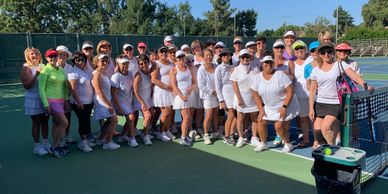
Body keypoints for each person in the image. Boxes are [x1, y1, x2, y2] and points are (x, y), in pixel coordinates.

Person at [308, 43, 373, 147]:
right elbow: (312, 90)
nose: (326, 54)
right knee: (318, 130)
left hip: (335, 103)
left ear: (333, 53)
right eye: (323, 52)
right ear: (319, 54)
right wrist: (311, 108)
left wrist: (365, 85)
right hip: (320, 104)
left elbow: (355, 77)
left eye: (329, 51)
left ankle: (332, 148)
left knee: (326, 127)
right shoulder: (315, 70)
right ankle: (328, 147)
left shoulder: (340, 65)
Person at [252, 56, 300, 153]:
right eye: (266, 62)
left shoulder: (280, 74)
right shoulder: (257, 77)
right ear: (262, 64)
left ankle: (288, 144)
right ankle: (264, 144)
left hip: (284, 104)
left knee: (278, 127)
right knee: (261, 122)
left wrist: (284, 107)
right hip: (269, 106)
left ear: (273, 64)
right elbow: (255, 94)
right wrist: (261, 110)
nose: (268, 64)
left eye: (270, 62)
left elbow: (290, 91)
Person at [38, 49, 70, 157]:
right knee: (64, 123)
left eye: (55, 56)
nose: (53, 58)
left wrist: (65, 99)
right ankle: (54, 147)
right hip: (51, 101)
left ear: (58, 57)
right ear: (46, 58)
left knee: (57, 124)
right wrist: (46, 104)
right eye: (50, 56)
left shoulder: (60, 70)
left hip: (61, 101)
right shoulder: (45, 71)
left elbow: (65, 86)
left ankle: (57, 146)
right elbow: (41, 89)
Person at [20, 47, 50, 155]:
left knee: (45, 121)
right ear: (28, 56)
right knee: (36, 122)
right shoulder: (26, 68)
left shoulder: (44, 66)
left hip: (45, 98)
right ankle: (37, 146)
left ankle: (46, 143)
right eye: (32, 53)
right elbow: (27, 86)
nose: (34, 55)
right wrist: (36, 75)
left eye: (36, 53)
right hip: (33, 99)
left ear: (40, 56)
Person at [230, 49, 260, 148]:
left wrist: (258, 97)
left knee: (254, 119)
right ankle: (241, 138)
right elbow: (235, 86)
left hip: (253, 98)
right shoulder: (236, 70)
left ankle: (254, 138)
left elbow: (259, 83)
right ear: (240, 58)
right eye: (243, 57)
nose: (245, 59)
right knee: (240, 119)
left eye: (247, 57)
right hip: (241, 98)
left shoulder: (255, 69)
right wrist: (239, 98)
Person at [68, 51, 95, 152]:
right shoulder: (72, 72)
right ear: (74, 61)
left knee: (86, 120)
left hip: (88, 102)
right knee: (83, 121)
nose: (79, 62)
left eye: (82, 60)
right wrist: (78, 102)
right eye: (77, 60)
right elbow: (72, 89)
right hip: (79, 103)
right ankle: (83, 143)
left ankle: (86, 140)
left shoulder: (84, 72)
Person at [92, 54, 120, 150]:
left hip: (106, 101)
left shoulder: (101, 73)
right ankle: (108, 142)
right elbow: (98, 91)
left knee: (109, 121)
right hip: (102, 102)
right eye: (102, 61)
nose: (105, 63)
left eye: (107, 61)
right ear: (96, 62)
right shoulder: (96, 74)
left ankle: (100, 140)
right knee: (114, 120)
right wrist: (109, 105)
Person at [111, 55, 138, 148]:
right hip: (120, 102)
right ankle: (132, 138)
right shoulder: (116, 77)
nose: (125, 65)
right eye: (123, 64)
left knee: (132, 117)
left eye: (127, 63)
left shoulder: (130, 74)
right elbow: (114, 94)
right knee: (130, 117)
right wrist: (118, 107)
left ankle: (122, 136)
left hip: (129, 101)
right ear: (118, 64)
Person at [170, 50, 197, 146]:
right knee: (186, 117)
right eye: (179, 57)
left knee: (188, 117)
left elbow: (194, 82)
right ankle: (183, 138)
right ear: (176, 59)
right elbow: (174, 85)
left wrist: (190, 89)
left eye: (182, 57)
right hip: (181, 97)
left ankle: (185, 136)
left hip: (190, 95)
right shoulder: (173, 70)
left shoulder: (189, 68)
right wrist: (181, 96)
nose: (181, 59)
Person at [272, 39, 295, 145]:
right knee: (276, 116)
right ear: (273, 49)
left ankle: (286, 132)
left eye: (281, 47)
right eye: (277, 47)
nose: (280, 49)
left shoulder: (289, 61)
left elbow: (292, 77)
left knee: (286, 115)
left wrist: (285, 74)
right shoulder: (270, 62)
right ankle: (278, 134)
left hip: (286, 94)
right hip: (274, 94)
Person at [151, 46, 176, 141]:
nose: (164, 53)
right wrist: (166, 86)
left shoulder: (172, 64)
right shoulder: (156, 64)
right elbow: (153, 79)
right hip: (161, 92)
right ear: (158, 54)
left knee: (170, 112)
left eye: (166, 52)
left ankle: (166, 130)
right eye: (161, 52)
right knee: (166, 112)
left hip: (170, 92)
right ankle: (161, 132)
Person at [215, 48, 236, 145]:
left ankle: (231, 134)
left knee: (236, 114)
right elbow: (218, 85)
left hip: (234, 91)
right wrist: (221, 100)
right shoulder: (218, 68)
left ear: (230, 56)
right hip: (226, 92)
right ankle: (226, 136)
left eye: (228, 55)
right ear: (221, 57)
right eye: (224, 55)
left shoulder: (234, 66)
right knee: (231, 114)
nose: (226, 57)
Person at [197, 49, 219, 145]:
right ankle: (206, 135)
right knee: (209, 115)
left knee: (215, 115)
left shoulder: (217, 67)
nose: (208, 57)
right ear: (203, 57)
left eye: (210, 55)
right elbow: (200, 85)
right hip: (207, 96)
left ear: (212, 56)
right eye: (206, 55)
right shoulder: (201, 69)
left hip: (217, 96)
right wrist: (211, 92)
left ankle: (215, 132)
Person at [292, 40, 311, 147]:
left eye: (301, 48)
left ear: (306, 50)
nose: (299, 50)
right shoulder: (292, 63)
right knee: (303, 119)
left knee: (314, 119)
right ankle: (306, 139)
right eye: (297, 49)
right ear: (294, 52)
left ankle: (319, 140)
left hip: (314, 95)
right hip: (300, 96)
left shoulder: (311, 60)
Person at [56, 45, 75, 145]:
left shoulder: (70, 68)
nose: (62, 56)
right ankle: (59, 139)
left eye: (64, 54)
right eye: (60, 54)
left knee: (68, 117)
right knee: (59, 120)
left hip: (67, 97)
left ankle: (66, 136)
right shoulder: (52, 66)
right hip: (56, 98)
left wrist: (67, 98)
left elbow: (71, 84)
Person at [133, 54, 154, 145]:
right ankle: (145, 136)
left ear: (148, 63)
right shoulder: (138, 75)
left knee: (152, 114)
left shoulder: (149, 73)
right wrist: (142, 103)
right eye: (140, 64)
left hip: (148, 99)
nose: (143, 65)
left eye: (145, 63)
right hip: (139, 100)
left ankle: (145, 132)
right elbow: (135, 91)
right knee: (148, 116)